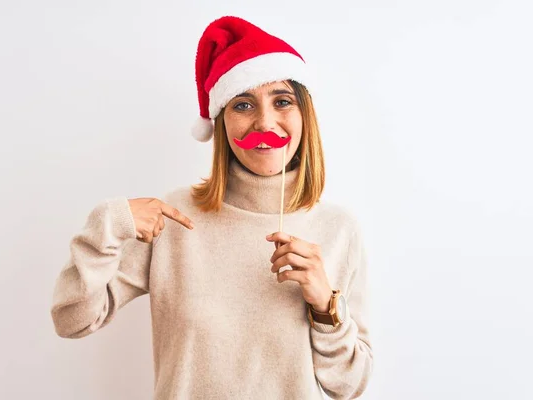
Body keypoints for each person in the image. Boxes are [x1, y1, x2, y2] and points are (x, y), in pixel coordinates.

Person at [51, 15, 373, 399]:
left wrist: (325, 306)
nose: (264, 121)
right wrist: (107, 224)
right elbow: (72, 320)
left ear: (305, 114)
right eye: (243, 105)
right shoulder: (174, 217)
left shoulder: (338, 228)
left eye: (282, 101)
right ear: (221, 122)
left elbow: (350, 386)